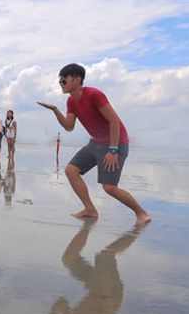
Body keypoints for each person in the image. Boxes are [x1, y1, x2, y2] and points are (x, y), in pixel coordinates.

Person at [38, 63, 150, 224]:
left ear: (77, 80)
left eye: (64, 81)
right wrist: (55, 110)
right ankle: (90, 209)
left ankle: (142, 213)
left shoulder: (94, 94)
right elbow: (69, 127)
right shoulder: (71, 102)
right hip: (96, 143)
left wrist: (113, 150)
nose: (61, 84)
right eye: (60, 82)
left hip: (115, 143)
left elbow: (114, 121)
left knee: (109, 187)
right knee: (71, 170)